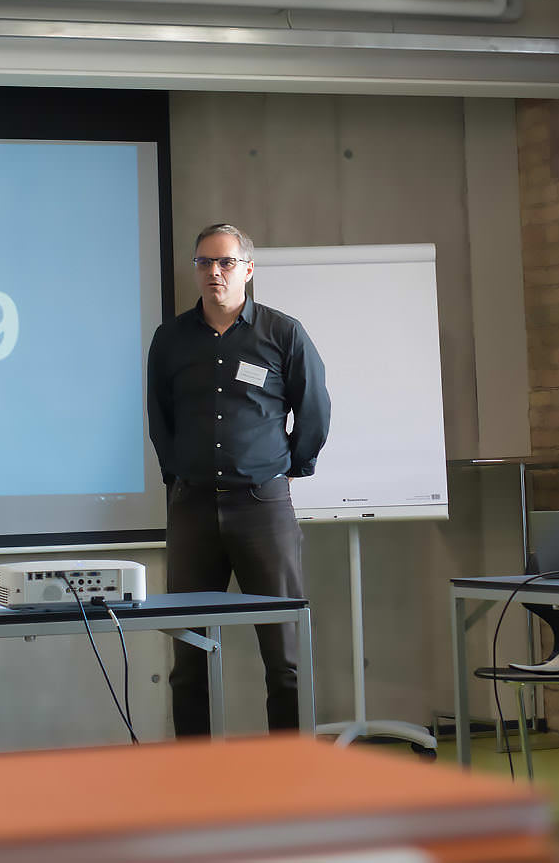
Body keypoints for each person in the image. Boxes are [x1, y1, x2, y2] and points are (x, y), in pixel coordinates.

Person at [146, 223, 330, 737]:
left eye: (226, 262)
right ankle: (195, 770)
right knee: (188, 653)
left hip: (262, 507)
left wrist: (291, 467)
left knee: (285, 654)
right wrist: (177, 475)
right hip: (193, 510)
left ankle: (291, 767)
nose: (215, 272)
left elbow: (313, 409)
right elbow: (160, 418)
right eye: (204, 262)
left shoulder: (282, 333)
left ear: (248, 269)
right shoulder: (171, 339)